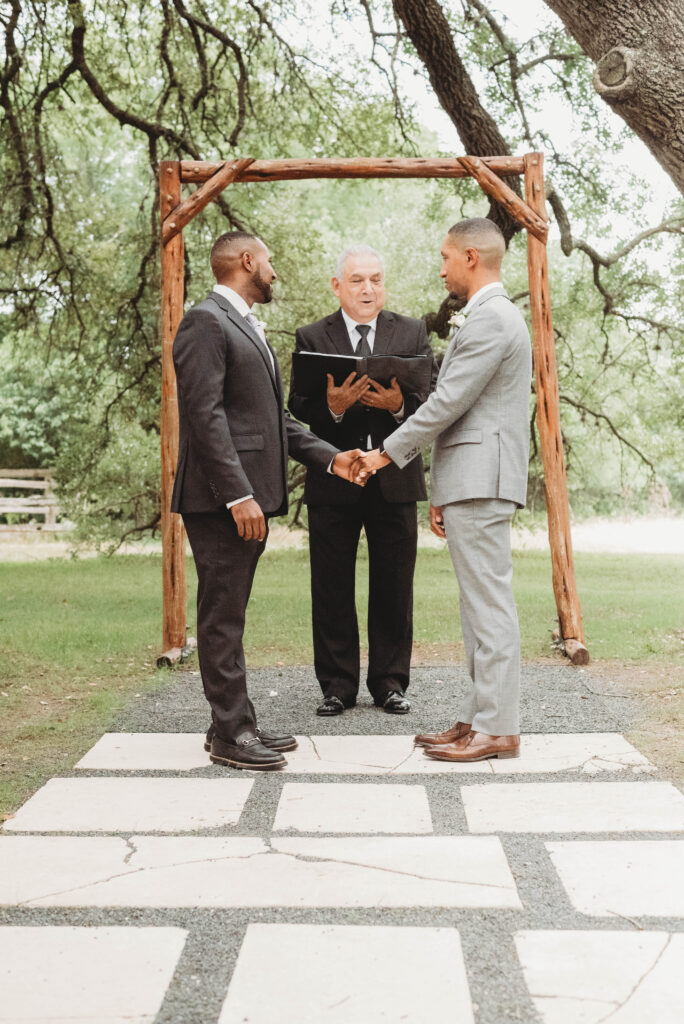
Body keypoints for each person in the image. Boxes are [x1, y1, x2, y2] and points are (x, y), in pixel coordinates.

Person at [171, 231, 366, 771]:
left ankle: (234, 725)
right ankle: (232, 734)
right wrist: (238, 495)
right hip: (220, 502)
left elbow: (272, 423)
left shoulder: (240, 323)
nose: (274, 272)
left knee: (229, 613)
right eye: (270, 262)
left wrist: (332, 457)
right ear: (247, 261)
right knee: (221, 617)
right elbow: (204, 417)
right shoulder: (205, 321)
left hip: (243, 498)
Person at [359, 219, 532, 762]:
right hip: (469, 479)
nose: (441, 267)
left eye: (446, 257)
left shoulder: (493, 318)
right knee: (476, 607)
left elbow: (447, 401)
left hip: (484, 479)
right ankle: (483, 717)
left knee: (490, 607)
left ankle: (499, 728)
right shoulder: (483, 316)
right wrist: (441, 489)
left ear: (473, 257)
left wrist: (385, 452)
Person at [288, 246, 437, 716]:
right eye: (357, 280)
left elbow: (431, 403)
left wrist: (395, 406)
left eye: (375, 279)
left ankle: (390, 682)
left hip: (394, 477)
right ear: (337, 286)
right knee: (331, 584)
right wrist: (333, 407)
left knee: (395, 584)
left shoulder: (411, 331)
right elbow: (298, 408)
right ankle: (337, 685)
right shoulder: (312, 335)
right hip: (335, 476)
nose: (368, 288)